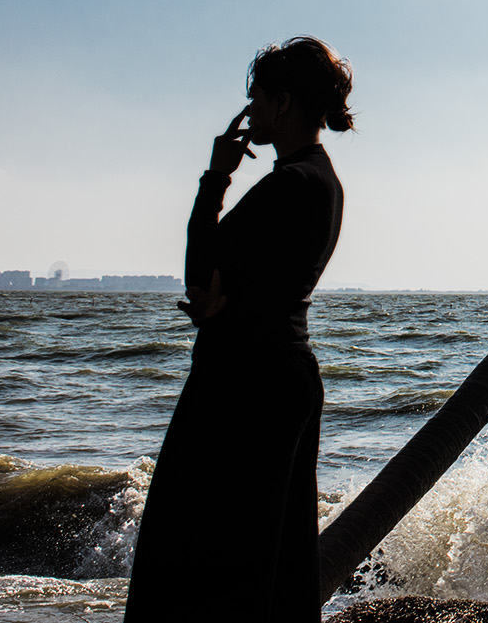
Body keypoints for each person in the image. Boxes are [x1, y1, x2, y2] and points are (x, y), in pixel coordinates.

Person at [125, 37, 353, 621]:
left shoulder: (288, 184)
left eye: (255, 98)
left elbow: (202, 273)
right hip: (285, 370)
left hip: (243, 380)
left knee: (197, 555)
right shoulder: (324, 182)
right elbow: (229, 286)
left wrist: (216, 176)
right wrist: (216, 300)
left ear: (281, 103)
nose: (249, 111)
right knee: (271, 561)